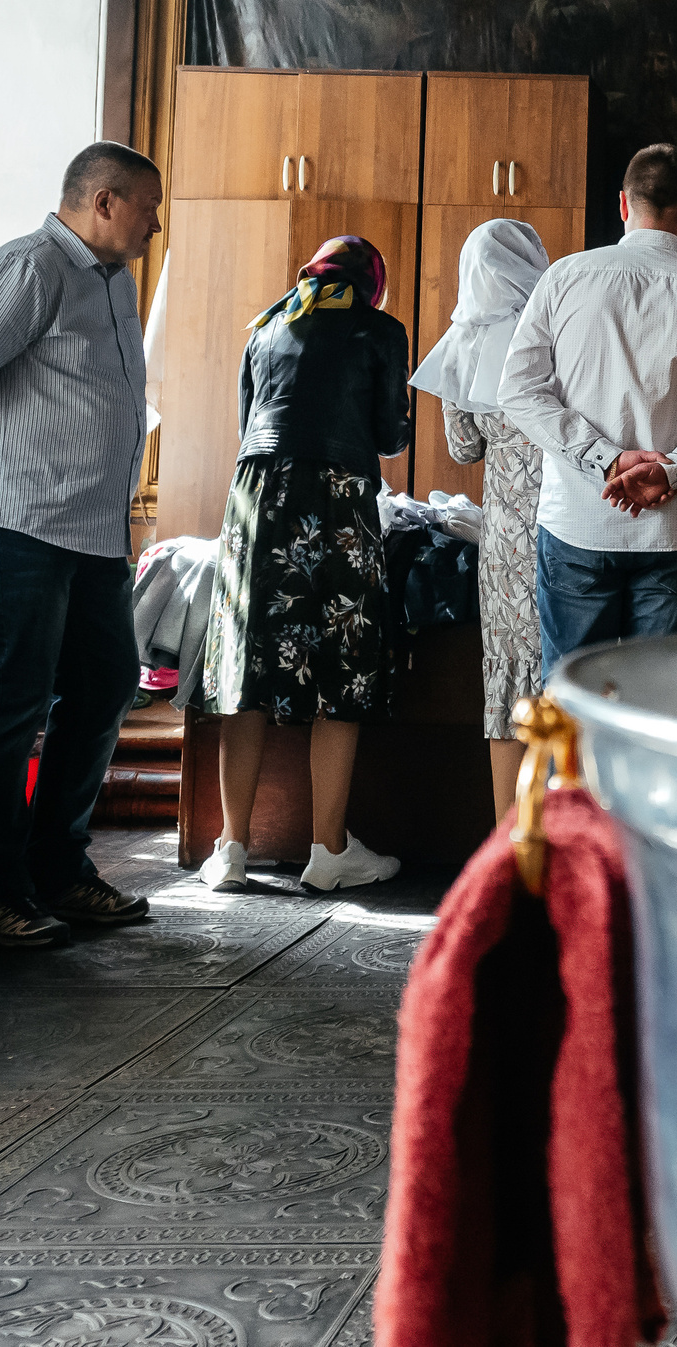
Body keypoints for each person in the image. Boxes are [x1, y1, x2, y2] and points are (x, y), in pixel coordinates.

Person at [0, 141, 163, 948]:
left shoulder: (113, 284)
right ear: (105, 201)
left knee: (106, 682)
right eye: (149, 207)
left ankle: (59, 869)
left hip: (87, 527)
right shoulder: (27, 270)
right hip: (18, 516)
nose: (157, 224)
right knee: (14, 696)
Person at [500, 143, 677, 664]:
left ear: (623, 204)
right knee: (655, 699)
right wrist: (674, 468)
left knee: (570, 698)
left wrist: (605, 459)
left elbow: (519, 390)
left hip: (578, 518)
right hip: (674, 528)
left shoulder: (564, 278)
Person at [196, 235, 410, 893]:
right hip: (339, 494)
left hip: (257, 499)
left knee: (249, 663)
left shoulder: (265, 326)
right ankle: (328, 849)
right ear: (369, 281)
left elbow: (245, 426)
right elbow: (389, 435)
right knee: (342, 666)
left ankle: (230, 848)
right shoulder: (380, 330)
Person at [411, 218, 551, 822]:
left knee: (505, 686)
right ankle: (555, 841)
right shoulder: (553, 328)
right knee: (556, 680)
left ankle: (505, 840)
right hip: (560, 523)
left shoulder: (461, 341)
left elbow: (464, 449)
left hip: (502, 537)